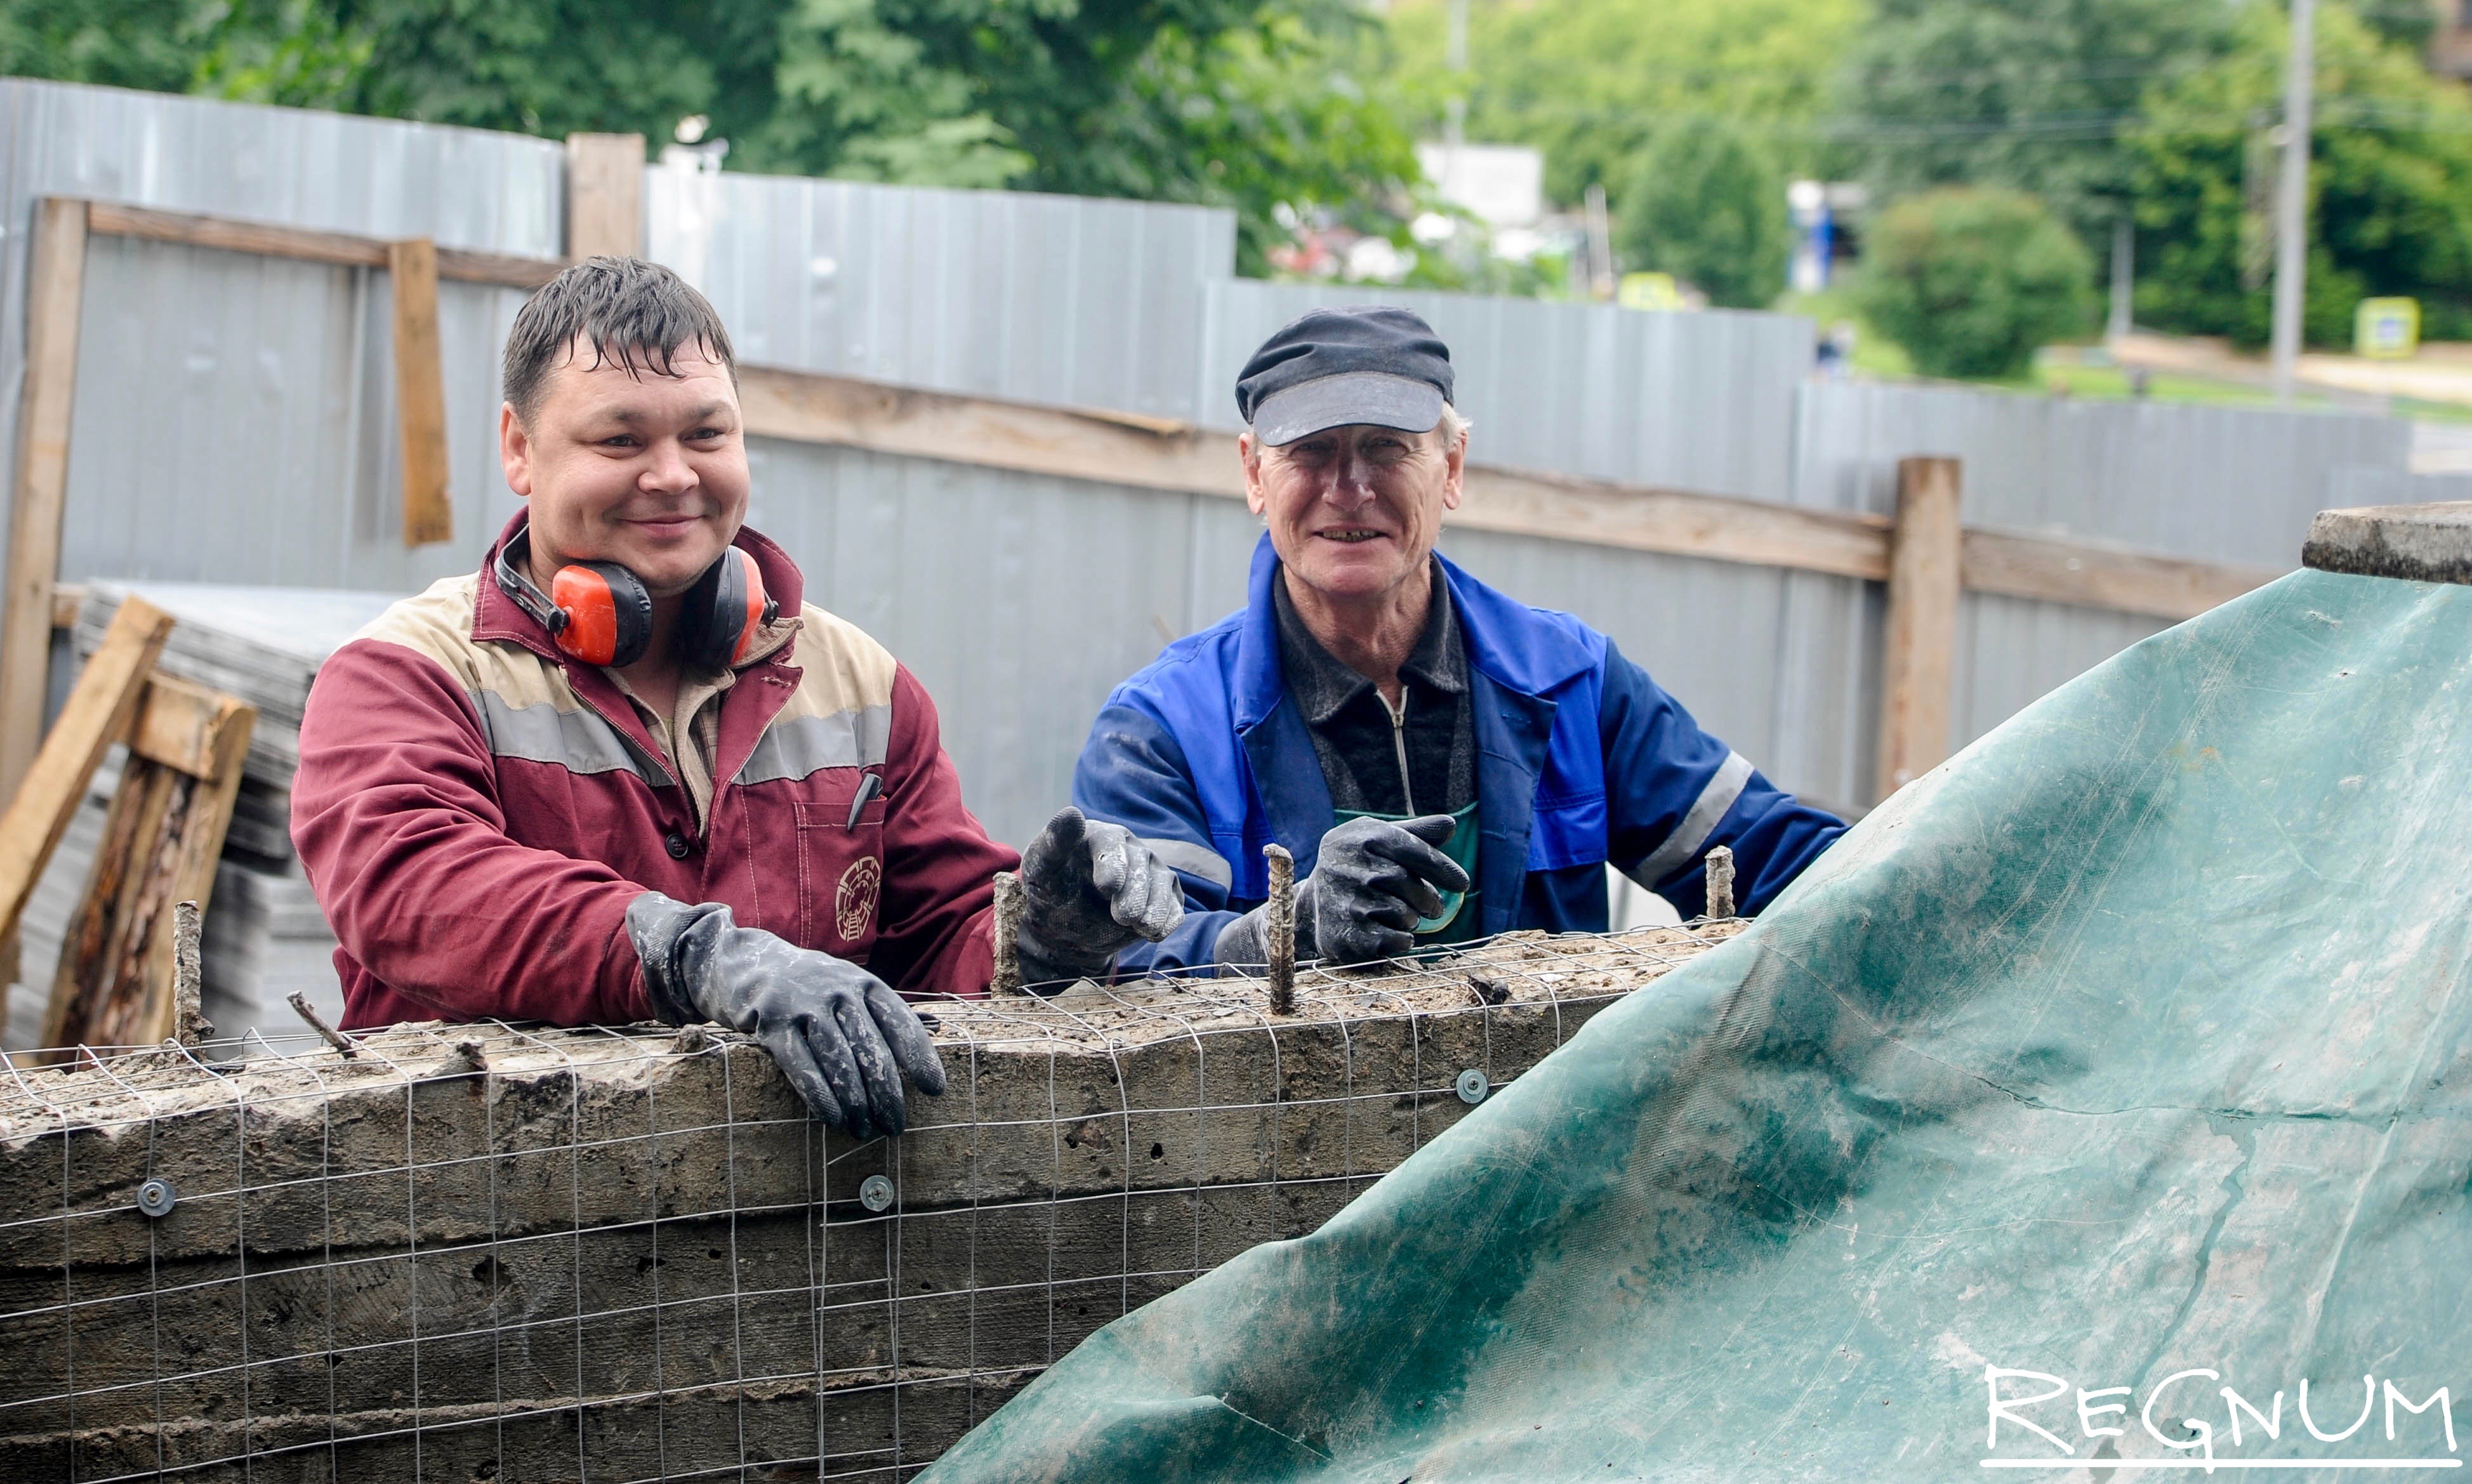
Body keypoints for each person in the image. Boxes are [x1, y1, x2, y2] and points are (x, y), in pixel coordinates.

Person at [291, 258, 1180, 1138]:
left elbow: (933, 942)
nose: (673, 475)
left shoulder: (861, 685)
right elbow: (409, 884)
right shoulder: (408, 673)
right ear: (519, 449)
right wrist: (694, 958)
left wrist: (1040, 932)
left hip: (794, 1233)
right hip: (492, 1217)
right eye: (620, 441)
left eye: (706, 435)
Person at [1066, 305, 1846, 979]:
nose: (1349, 487)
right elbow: (1129, 964)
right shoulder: (1162, 726)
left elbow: (1781, 863)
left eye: (1386, 447)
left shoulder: (1571, 682)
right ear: (1253, 474)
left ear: (1452, 468)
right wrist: (1282, 933)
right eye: (1310, 451)